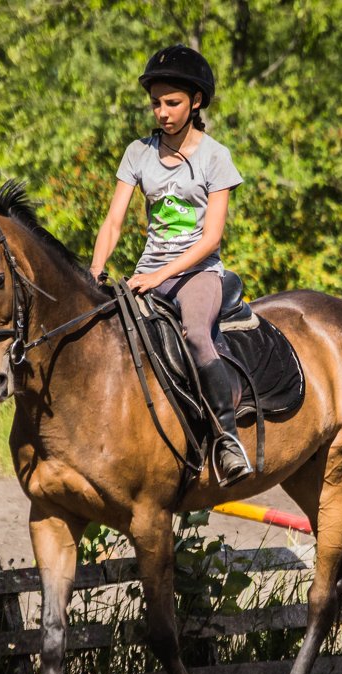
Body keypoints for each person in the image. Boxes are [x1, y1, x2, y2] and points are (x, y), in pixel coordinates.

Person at [90, 43, 252, 487]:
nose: (161, 112)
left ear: (195, 102)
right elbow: (114, 220)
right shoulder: (138, 153)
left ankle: (226, 438)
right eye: (156, 103)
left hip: (197, 275)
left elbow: (212, 237)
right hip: (147, 273)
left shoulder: (215, 157)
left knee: (197, 336)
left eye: (172, 103)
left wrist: (161, 276)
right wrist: (95, 271)